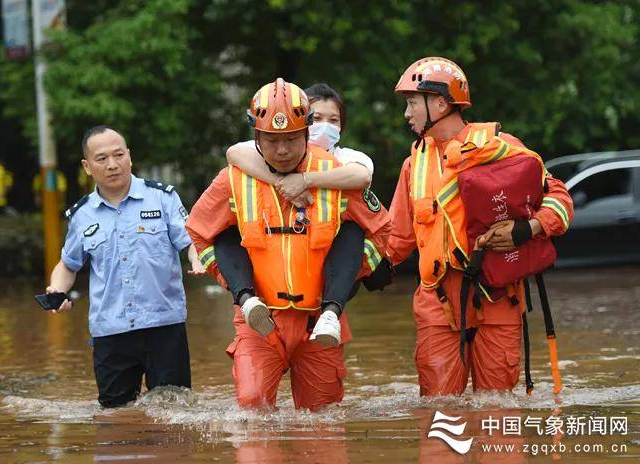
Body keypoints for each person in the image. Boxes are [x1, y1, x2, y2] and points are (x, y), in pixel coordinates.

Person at [186, 78, 392, 411]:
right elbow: (199, 232)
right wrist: (232, 282)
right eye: (271, 140)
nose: (282, 150)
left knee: (321, 422)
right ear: (257, 137)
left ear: (306, 133)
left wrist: (346, 278)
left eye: (292, 139)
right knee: (252, 410)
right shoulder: (234, 178)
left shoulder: (334, 174)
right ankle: (248, 299)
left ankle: (330, 309)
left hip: (319, 322)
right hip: (259, 320)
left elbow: (381, 230)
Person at [388, 57, 574, 395]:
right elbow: (395, 240)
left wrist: (528, 229)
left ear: (440, 103)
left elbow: (561, 204)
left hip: (497, 297)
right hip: (438, 303)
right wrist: (344, 277)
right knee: (440, 418)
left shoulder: (502, 148)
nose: (406, 113)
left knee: (498, 417)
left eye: (412, 102)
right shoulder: (412, 164)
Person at [215, 83, 386, 346]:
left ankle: (331, 309)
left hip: (325, 285)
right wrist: (281, 182)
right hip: (269, 292)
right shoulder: (266, 150)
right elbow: (234, 153)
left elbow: (361, 176)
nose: (324, 126)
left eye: (334, 120)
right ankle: (249, 300)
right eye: (317, 118)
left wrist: (305, 180)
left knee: (351, 235)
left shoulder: (345, 158)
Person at [44, 125, 202, 407]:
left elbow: (191, 241)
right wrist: (57, 291)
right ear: (87, 166)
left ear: (129, 155)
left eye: (118, 154)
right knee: (115, 422)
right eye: (102, 158)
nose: (112, 164)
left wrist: (196, 258)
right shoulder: (82, 215)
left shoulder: (162, 198)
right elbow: (68, 265)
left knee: (175, 414)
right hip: (111, 332)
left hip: (164, 326)